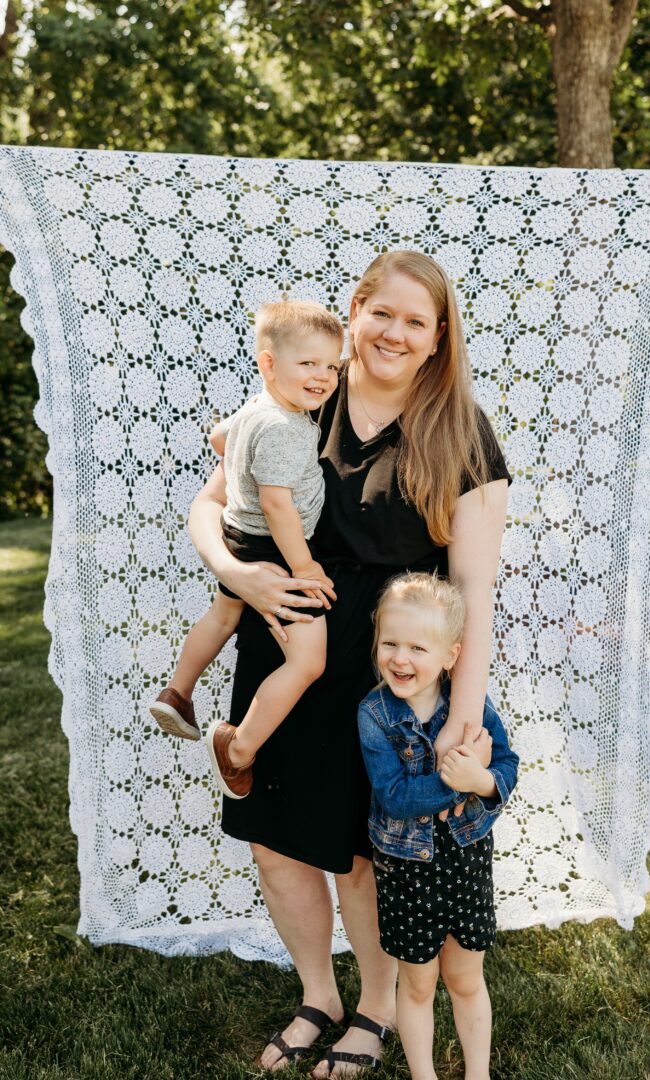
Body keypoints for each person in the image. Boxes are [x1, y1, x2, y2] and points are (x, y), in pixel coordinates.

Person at [187, 251, 512, 1076]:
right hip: (286, 647)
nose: (395, 333)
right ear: (356, 310)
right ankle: (317, 996)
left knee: (366, 853)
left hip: (392, 673)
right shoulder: (303, 396)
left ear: (439, 336)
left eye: (416, 321)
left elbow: (474, 590)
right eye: (383, 313)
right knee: (276, 839)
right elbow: (211, 504)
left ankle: (375, 1006)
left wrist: (461, 717)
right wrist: (232, 572)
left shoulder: (461, 431)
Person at [150, 300, 343, 800]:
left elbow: (219, 437)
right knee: (308, 662)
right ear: (269, 363)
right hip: (273, 549)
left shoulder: (258, 408)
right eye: (308, 363)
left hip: (238, 535)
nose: (323, 377)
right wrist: (304, 565)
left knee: (223, 616)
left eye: (331, 366)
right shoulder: (283, 427)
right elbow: (278, 506)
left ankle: (178, 691)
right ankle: (237, 746)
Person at [358, 572, 519, 1080]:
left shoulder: (471, 705)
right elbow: (395, 796)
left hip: (467, 863)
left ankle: (478, 1073)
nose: (400, 659)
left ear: (451, 656)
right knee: (418, 984)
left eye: (417, 648)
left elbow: (507, 764)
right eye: (390, 643)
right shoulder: (375, 715)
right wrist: (458, 783)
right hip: (407, 873)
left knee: (466, 978)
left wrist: (484, 781)